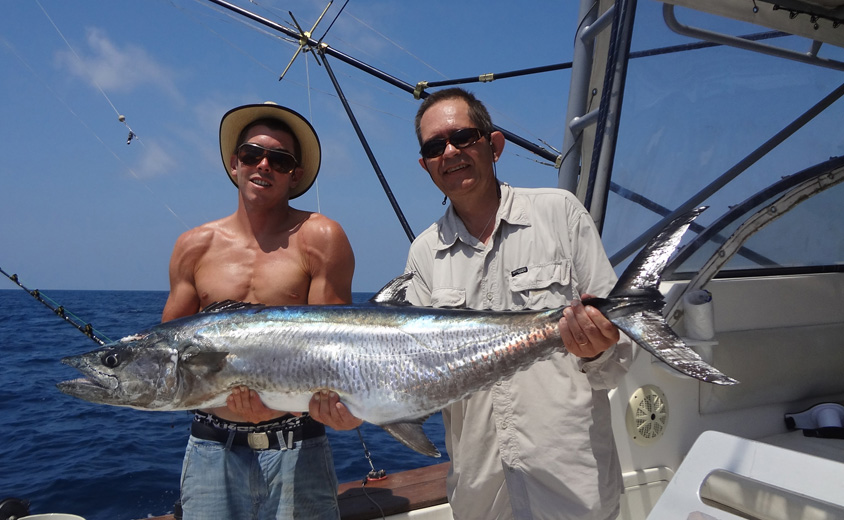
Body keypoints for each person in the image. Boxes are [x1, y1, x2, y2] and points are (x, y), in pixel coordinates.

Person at [403, 87, 634, 520]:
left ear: (494, 145)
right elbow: (418, 382)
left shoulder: (560, 213)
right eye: (435, 146)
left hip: (574, 492)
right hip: (480, 498)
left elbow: (618, 352)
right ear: (426, 165)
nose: (450, 151)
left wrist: (598, 347)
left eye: (463, 137)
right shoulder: (423, 253)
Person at [162, 102, 360, 520]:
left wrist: (335, 411)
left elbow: (337, 352)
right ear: (235, 164)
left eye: (280, 159)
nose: (263, 165)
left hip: (297, 447)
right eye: (252, 154)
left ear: (295, 175)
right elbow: (171, 359)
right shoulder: (193, 245)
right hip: (212, 448)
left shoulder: (320, 237)